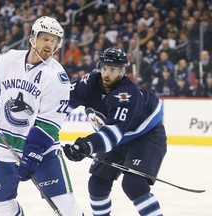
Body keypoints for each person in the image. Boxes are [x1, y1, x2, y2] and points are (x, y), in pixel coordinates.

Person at [0, 16, 84, 216]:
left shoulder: (57, 78)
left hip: (42, 151)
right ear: (32, 38)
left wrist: (32, 152)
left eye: (54, 41)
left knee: (66, 207)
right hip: (3, 147)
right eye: (45, 39)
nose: (50, 44)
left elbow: (49, 124)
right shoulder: (7, 60)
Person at [64, 47, 167, 216]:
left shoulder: (126, 94)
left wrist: (85, 146)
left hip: (145, 135)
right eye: (104, 68)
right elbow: (61, 105)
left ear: (122, 72)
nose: (106, 73)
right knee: (97, 184)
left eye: (113, 70)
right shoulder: (88, 82)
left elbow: (111, 136)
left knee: (133, 184)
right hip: (117, 135)